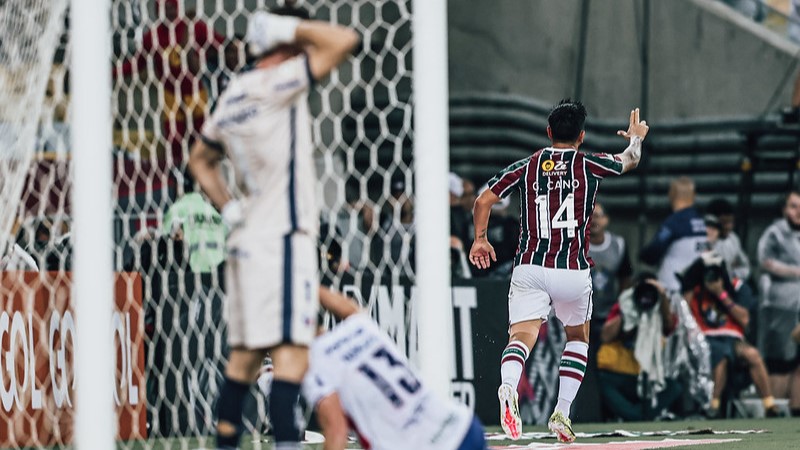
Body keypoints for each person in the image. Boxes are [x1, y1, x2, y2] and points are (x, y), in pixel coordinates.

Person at [187, 5, 359, 449]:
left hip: (245, 242)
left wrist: (229, 208)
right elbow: (344, 40)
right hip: (284, 240)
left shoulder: (234, 92)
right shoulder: (279, 83)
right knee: (290, 359)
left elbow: (199, 161)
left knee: (243, 362)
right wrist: (285, 29)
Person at [469, 100, 649, 442]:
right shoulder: (588, 164)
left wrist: (480, 239)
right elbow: (631, 160)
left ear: (549, 132)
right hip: (572, 270)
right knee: (578, 338)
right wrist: (635, 138)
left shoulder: (528, 165)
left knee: (520, 337)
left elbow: (483, 201)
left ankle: (508, 387)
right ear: (581, 136)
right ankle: (562, 414)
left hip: (531, 266)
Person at [299, 287, 487, 450]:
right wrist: (307, 285)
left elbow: (337, 431)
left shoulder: (314, 364)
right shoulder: (360, 327)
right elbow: (349, 307)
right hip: (462, 426)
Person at [114, 0, 226, 165]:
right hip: (171, 96)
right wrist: (111, 73)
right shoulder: (153, 36)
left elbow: (220, 45)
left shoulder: (195, 27)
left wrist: (206, 57)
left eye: (172, 7)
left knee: (202, 139)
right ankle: (177, 179)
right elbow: (136, 65)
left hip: (196, 92)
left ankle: (203, 176)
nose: (169, 11)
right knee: (175, 142)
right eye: (164, 8)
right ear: (157, 11)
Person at [681, 253, 779, 418]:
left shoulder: (737, 287)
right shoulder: (697, 290)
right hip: (706, 339)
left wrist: (721, 293)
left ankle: (770, 405)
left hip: (732, 337)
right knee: (721, 355)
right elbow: (683, 310)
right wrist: (696, 272)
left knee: (753, 355)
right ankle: (714, 406)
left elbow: (745, 319)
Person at [596, 273, 682, 421]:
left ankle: (635, 416)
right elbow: (605, 336)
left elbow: (669, 326)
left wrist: (661, 297)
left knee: (674, 387)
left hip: (646, 375)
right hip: (619, 373)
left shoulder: (660, 308)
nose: (645, 296)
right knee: (603, 383)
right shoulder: (625, 305)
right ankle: (638, 416)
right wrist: (627, 309)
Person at [757, 190, 800, 417]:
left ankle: (795, 411)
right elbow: (765, 262)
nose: (798, 211)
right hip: (781, 305)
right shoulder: (775, 233)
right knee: (780, 362)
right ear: (784, 209)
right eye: (794, 206)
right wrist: (796, 272)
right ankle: (774, 414)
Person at [640, 177, 707, 293]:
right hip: (695, 288)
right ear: (693, 195)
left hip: (673, 287)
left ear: (672, 194)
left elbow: (654, 250)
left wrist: (642, 255)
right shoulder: (700, 221)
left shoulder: (675, 222)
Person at [588, 202, 633, 340]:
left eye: (597, 216)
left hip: (608, 314)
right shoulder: (574, 245)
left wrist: (620, 310)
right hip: (580, 315)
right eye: (589, 216)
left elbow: (625, 278)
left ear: (606, 220)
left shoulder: (618, 245)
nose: (593, 220)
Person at [706, 197, 750, 281]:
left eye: (731, 222)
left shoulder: (733, 238)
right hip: (710, 285)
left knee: (745, 290)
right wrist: (730, 266)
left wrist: (732, 273)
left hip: (732, 282)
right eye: (724, 223)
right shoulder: (703, 241)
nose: (729, 227)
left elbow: (745, 267)